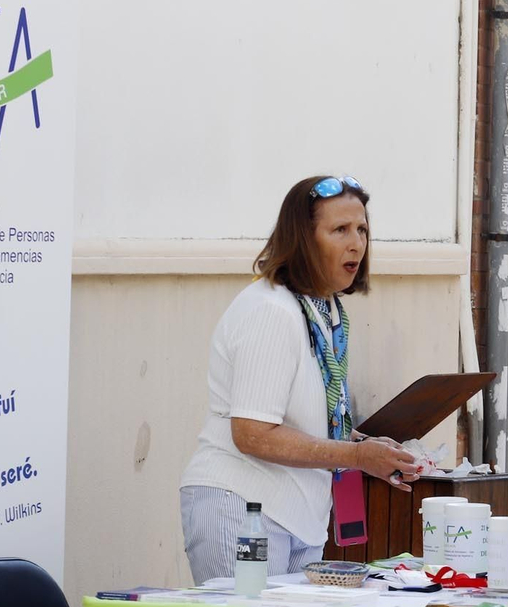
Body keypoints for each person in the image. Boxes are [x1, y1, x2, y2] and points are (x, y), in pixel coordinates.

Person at [178, 176, 416, 584]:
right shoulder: (271, 310)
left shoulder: (325, 312)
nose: (356, 243)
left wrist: (367, 447)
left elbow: (304, 417)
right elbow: (252, 433)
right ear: (303, 239)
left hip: (299, 518)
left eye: (362, 229)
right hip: (244, 511)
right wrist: (355, 457)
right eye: (339, 230)